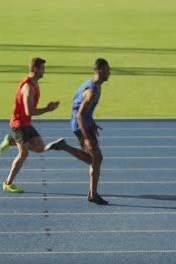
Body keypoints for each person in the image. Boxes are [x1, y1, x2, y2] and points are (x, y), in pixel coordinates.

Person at [45, 58, 111, 205]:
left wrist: (92, 122)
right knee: (96, 158)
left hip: (85, 124)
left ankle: (63, 146)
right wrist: (86, 138)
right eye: (107, 70)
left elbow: (82, 108)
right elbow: (80, 114)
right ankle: (93, 194)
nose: (110, 73)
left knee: (93, 159)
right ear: (100, 70)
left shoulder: (95, 85)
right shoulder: (92, 91)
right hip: (81, 125)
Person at [0, 57, 62, 193]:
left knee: (40, 148)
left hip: (26, 123)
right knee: (23, 154)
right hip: (19, 124)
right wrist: (47, 109)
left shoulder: (34, 83)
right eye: (42, 68)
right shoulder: (28, 87)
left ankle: (10, 142)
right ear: (35, 69)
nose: (44, 71)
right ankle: (8, 183)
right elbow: (29, 111)